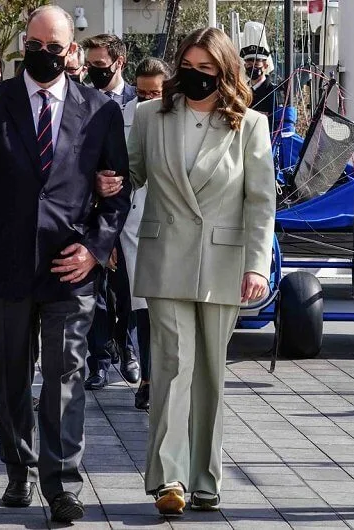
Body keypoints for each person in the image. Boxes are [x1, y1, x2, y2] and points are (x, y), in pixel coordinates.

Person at [0, 5, 130, 522]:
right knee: (9, 377)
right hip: (3, 265)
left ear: (71, 51)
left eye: (54, 47)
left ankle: (64, 484)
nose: (42, 54)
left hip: (70, 267)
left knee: (66, 374)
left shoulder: (99, 110)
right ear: (22, 44)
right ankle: (19, 469)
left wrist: (94, 246)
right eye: (34, 44)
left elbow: (117, 193)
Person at [125, 28, 275, 514]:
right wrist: (106, 182)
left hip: (224, 262)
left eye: (206, 69)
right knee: (172, 366)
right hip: (166, 254)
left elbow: (260, 201)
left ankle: (205, 478)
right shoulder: (151, 116)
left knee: (210, 373)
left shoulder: (249, 124)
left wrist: (257, 264)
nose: (194, 75)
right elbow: (130, 173)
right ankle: (169, 480)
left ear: (225, 72)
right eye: (186, 66)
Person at [97, 57, 172, 410]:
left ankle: (165, 378)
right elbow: (112, 177)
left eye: (154, 93)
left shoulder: (180, 117)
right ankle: (146, 379)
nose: (146, 99)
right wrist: (108, 237)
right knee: (140, 308)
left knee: (167, 312)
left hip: (173, 226)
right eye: (141, 93)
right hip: (133, 227)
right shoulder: (121, 115)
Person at [80, 33, 139, 390]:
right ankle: (98, 360)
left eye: (100, 66)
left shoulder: (141, 103)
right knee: (95, 293)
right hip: (90, 213)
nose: (93, 73)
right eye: (89, 66)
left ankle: (129, 351)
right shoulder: (82, 100)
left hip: (130, 215)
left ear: (119, 63)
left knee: (129, 290)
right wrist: (92, 182)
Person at [241, 45, 275, 130]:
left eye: (256, 64)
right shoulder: (240, 91)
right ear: (245, 66)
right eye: (249, 64)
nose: (252, 68)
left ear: (265, 66)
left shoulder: (274, 92)